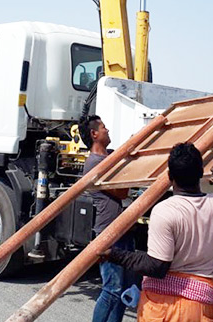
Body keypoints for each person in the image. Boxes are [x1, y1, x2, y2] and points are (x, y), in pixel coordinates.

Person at [98, 142, 213, 322]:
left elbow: (157, 266)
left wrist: (114, 255)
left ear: (170, 176)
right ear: (201, 172)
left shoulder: (165, 211)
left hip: (163, 309)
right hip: (201, 308)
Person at [80, 114, 133, 322]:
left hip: (122, 230)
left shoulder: (109, 157)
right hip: (109, 233)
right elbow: (122, 192)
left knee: (123, 290)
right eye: (103, 127)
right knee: (112, 289)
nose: (107, 130)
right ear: (94, 134)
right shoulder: (95, 164)